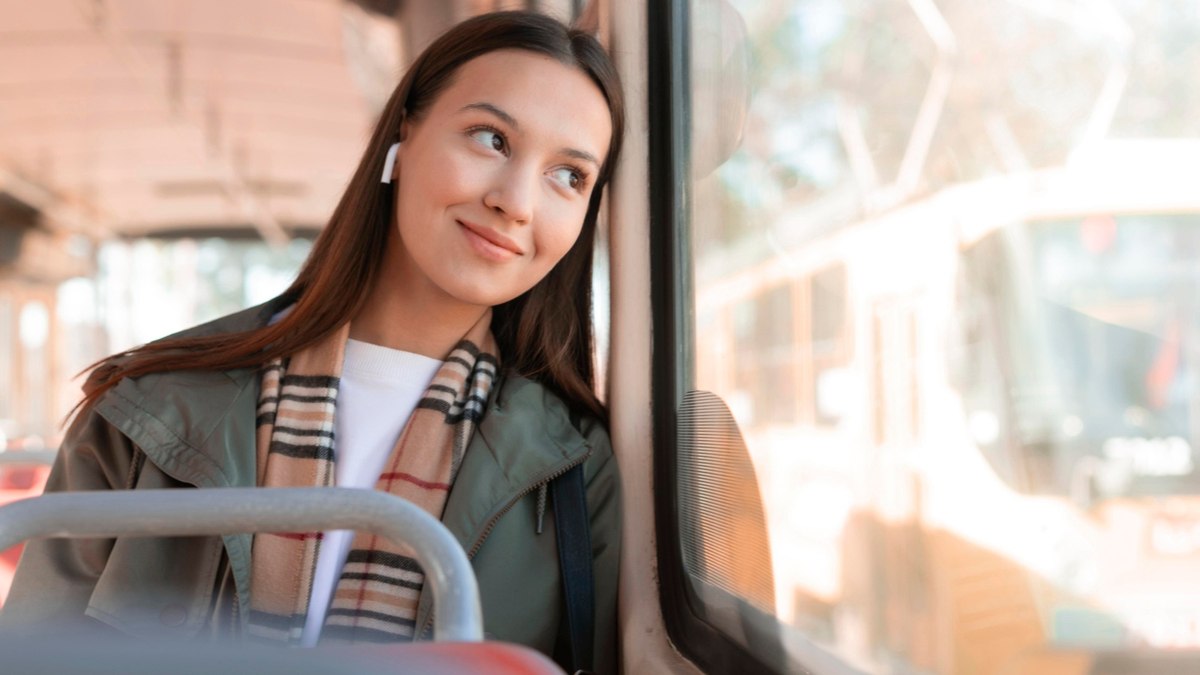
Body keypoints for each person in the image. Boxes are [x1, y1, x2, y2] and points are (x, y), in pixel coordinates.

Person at [1, 10, 624, 674]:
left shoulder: (574, 471)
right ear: (403, 136)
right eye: (491, 138)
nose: (518, 201)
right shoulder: (145, 410)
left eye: (570, 176)